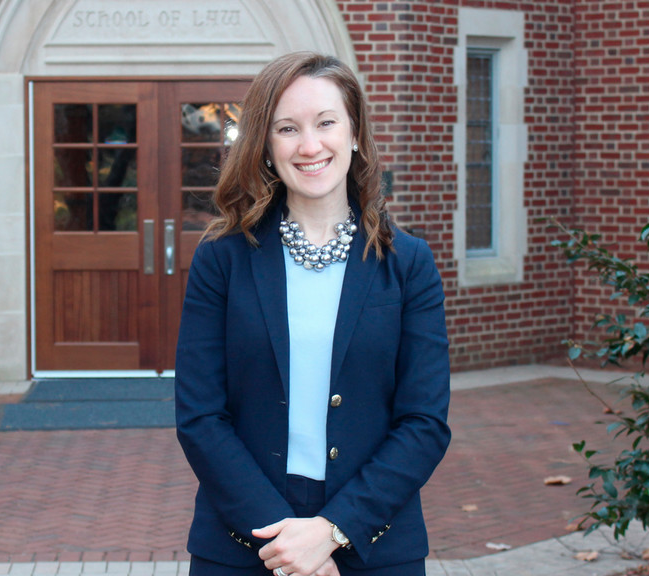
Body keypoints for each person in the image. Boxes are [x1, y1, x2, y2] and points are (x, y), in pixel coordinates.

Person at [174, 52, 451, 576]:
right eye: (287, 128)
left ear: (353, 134)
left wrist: (331, 532)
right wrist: (287, 544)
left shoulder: (408, 263)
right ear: (265, 145)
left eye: (326, 123)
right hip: (242, 541)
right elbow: (200, 418)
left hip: (373, 540)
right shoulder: (222, 260)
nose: (309, 145)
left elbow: (424, 422)